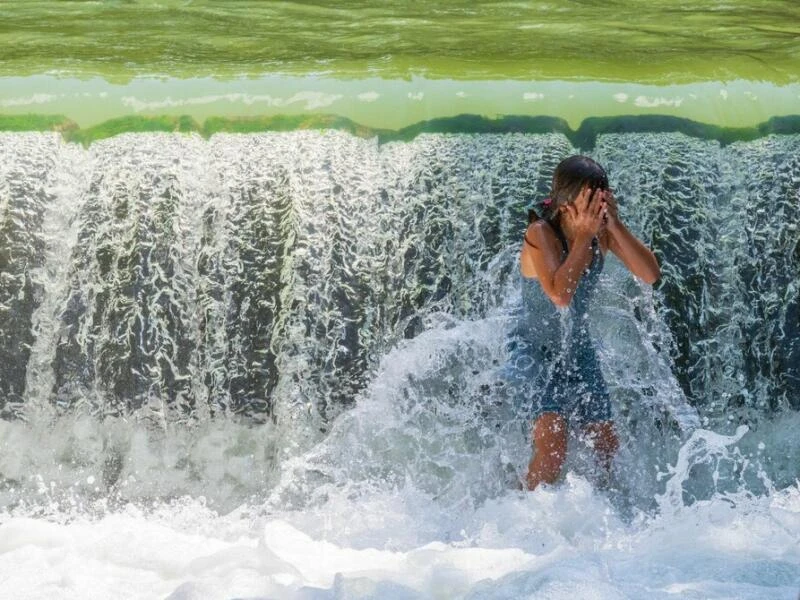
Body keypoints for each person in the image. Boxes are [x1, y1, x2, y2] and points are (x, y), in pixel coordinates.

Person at [511, 155, 660, 491]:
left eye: (601, 198)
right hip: (534, 348)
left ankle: (599, 519)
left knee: (606, 446)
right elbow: (560, 295)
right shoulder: (540, 233)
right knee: (554, 446)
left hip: (577, 348)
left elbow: (650, 275)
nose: (596, 206)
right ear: (565, 202)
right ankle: (519, 510)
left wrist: (615, 225)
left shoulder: (600, 234)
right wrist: (582, 238)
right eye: (589, 198)